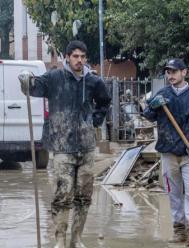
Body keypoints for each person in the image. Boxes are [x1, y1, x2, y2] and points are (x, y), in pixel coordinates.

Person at [18, 40, 111, 248]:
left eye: (82, 57)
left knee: (84, 196)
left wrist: (94, 121)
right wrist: (26, 80)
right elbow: (34, 88)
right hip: (62, 147)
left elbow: (104, 101)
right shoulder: (54, 78)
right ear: (67, 57)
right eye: (75, 56)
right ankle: (60, 239)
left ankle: (76, 238)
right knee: (63, 193)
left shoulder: (93, 81)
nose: (79, 60)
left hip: (86, 147)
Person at [143, 58, 189, 246]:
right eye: (168, 72)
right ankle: (179, 230)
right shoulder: (162, 94)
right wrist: (152, 106)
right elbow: (148, 115)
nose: (170, 75)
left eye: (174, 71)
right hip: (167, 152)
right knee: (173, 193)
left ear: (184, 72)